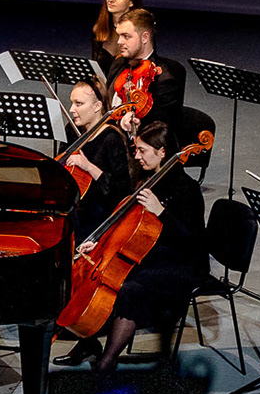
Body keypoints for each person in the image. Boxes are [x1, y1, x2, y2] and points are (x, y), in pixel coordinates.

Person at [61, 120, 207, 372]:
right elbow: (124, 222)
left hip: (182, 263)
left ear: (162, 152)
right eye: (136, 149)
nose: (136, 156)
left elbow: (192, 242)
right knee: (89, 275)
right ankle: (89, 343)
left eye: (142, 151)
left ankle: (107, 361)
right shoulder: (146, 179)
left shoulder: (187, 189)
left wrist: (161, 212)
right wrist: (97, 242)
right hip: (149, 255)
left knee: (129, 288)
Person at [61, 77, 132, 239]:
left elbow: (121, 191)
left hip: (98, 219)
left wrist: (88, 166)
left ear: (97, 106)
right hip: (73, 208)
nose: (71, 109)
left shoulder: (111, 139)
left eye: (79, 104)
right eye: (72, 103)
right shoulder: (72, 130)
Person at [106, 8, 186, 132]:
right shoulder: (118, 63)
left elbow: (162, 125)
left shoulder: (167, 74)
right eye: (119, 35)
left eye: (126, 36)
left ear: (144, 38)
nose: (119, 42)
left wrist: (132, 124)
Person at [90, 0, 143, 67]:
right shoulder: (99, 29)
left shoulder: (141, 30)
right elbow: (95, 67)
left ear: (131, 2)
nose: (111, 0)